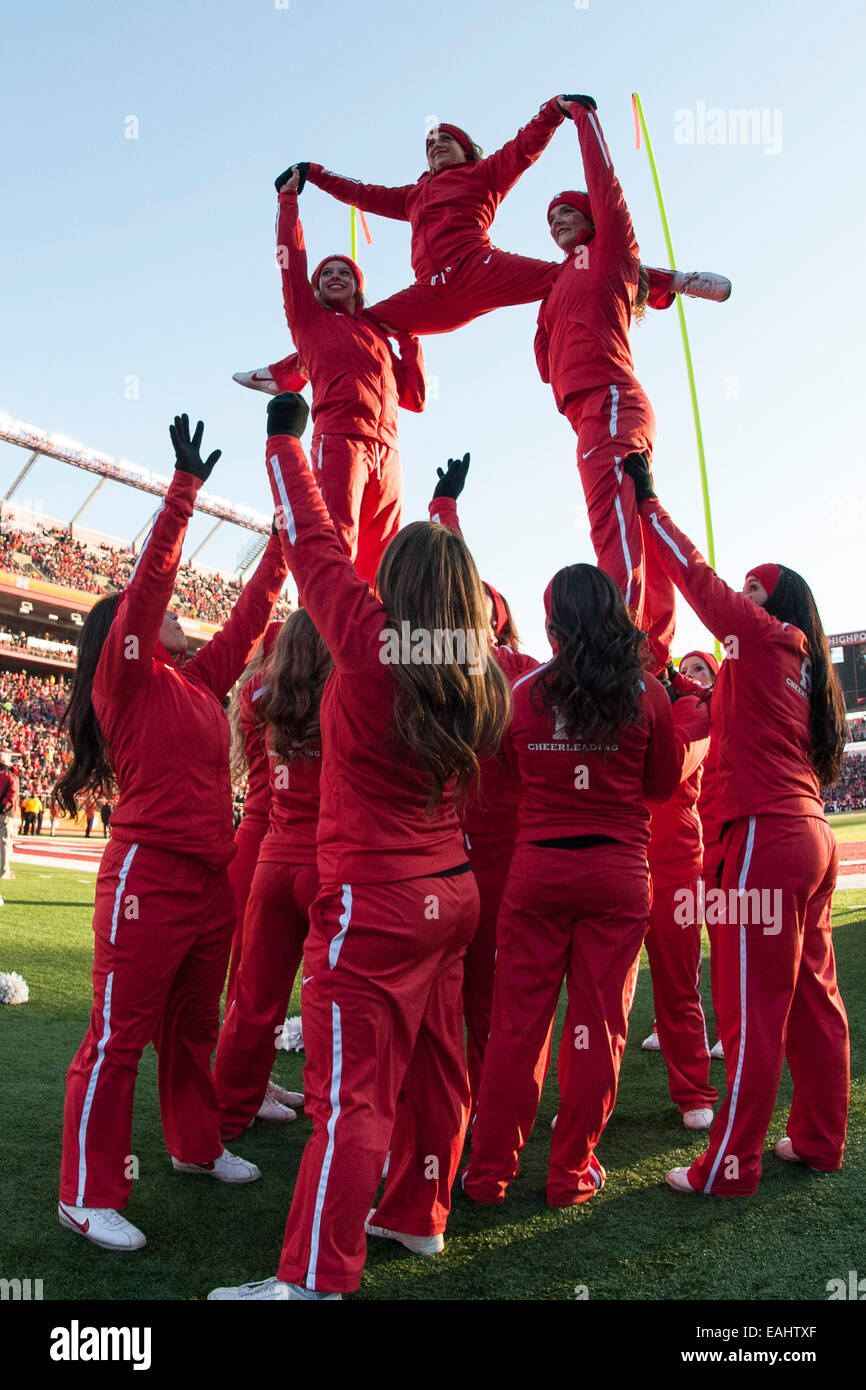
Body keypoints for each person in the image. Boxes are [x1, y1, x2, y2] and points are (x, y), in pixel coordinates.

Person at [208, 392, 510, 1299]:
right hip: (449, 894)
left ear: (400, 593)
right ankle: (419, 1216)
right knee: (436, 1068)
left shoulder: (373, 644)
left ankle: (312, 1279)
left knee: (351, 1101)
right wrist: (443, 518)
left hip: (373, 903)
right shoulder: (480, 669)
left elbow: (312, 540)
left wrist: (284, 443)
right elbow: (421, 584)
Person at [55, 415, 288, 1251]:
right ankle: (86, 1192)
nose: (184, 612)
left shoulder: (194, 681)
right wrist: (182, 492)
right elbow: (151, 583)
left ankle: (195, 1147)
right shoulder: (128, 681)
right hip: (147, 877)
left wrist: (283, 544)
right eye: (165, 612)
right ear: (129, 632)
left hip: (205, 877)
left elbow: (252, 615)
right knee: (117, 1036)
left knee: (195, 1026)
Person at [624, 449, 850, 1195]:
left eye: (755, 588)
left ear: (773, 606)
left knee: (752, 1009)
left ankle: (731, 1166)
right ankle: (818, 1138)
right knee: (816, 1000)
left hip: (763, 837)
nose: (742, 595)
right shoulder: (801, 663)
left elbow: (696, 576)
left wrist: (649, 504)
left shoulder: (759, 638)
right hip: (808, 837)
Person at [462, 563, 683, 1208]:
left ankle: (488, 1174)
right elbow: (663, 787)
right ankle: (570, 1172)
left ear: (555, 620)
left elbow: (499, 774)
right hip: (616, 875)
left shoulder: (523, 692)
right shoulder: (647, 693)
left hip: (537, 874)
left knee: (515, 1027)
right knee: (599, 1028)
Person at [535, 96, 681, 671]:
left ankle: (622, 656)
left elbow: (606, 186)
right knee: (634, 519)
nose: (556, 223)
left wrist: (584, 121)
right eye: (549, 220)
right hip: (588, 411)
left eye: (565, 212)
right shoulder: (554, 286)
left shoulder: (611, 249)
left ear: (591, 217)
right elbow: (543, 349)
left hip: (611, 399)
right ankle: (653, 659)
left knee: (614, 527)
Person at [234, 168, 426, 586]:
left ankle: (372, 643)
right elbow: (291, 260)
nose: (335, 276)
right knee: (336, 543)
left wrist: (408, 336)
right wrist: (288, 201)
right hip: (340, 439)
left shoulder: (379, 332)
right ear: (316, 288)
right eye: (327, 273)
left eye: (345, 273)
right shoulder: (309, 321)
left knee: (384, 561)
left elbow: (414, 396)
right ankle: (322, 641)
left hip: (389, 452)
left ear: (359, 287)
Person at [428, 453, 540, 1108]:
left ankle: (472, 1114)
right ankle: (483, 1115)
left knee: (472, 997)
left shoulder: (473, 667)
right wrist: (445, 513)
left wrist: (445, 511)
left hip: (475, 857)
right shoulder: (499, 668)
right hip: (484, 857)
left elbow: (455, 582)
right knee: (486, 998)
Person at [275, 98, 575, 336]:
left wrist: (553, 110)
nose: (437, 146)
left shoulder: (484, 173)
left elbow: (523, 148)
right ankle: (286, 373)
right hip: (430, 291)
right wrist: (314, 173)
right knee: (359, 325)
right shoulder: (412, 196)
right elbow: (362, 193)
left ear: (466, 149)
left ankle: (618, 300)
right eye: (430, 144)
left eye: (446, 139)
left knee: (570, 276)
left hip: (477, 269)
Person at [214, 609, 331, 1138]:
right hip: (329, 859)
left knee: (252, 994)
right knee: (333, 1001)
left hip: (271, 854)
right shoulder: (343, 692)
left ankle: (229, 1109)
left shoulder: (259, 692)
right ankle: (336, 1119)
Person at [0, 751, 17, 891]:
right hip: (5, 814)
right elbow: (12, 795)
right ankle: (4, 871)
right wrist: (3, 806)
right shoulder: (10, 776)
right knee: (5, 843)